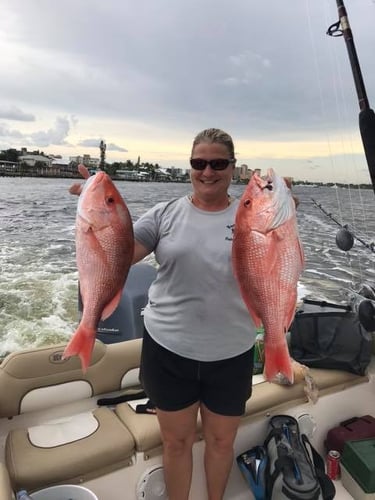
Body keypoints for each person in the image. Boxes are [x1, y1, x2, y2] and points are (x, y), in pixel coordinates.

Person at [132, 128, 257, 500]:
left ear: (233, 169)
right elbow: (119, 254)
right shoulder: (164, 214)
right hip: (169, 349)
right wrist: (92, 211)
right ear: (189, 166)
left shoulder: (253, 216)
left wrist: (283, 209)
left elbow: (278, 257)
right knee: (176, 443)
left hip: (231, 351)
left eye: (218, 163)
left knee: (221, 442)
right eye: (199, 163)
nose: (207, 171)